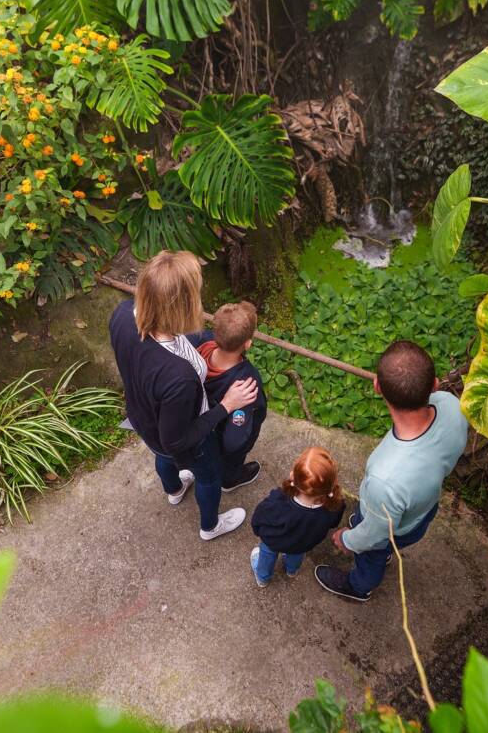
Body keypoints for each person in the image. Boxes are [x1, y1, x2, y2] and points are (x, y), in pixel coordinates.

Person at [109, 250, 258, 541]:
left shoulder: (123, 314)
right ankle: (211, 525)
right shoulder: (179, 378)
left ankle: (174, 490)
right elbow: (175, 440)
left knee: (161, 454)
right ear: (184, 305)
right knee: (209, 475)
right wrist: (226, 406)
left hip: (142, 418)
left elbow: (147, 352)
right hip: (182, 436)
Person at [314, 341, 468, 601]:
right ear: (435, 384)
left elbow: (375, 534)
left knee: (371, 554)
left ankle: (359, 587)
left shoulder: (384, 479)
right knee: (380, 535)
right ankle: (384, 552)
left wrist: (348, 540)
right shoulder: (451, 405)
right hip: (424, 509)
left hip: (394, 528)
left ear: (377, 387)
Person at [188, 301, 267, 492]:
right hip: (221, 433)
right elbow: (234, 440)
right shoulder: (245, 385)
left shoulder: (200, 341)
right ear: (247, 343)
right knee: (231, 459)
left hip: (201, 421)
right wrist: (236, 449)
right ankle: (230, 479)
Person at [249, 447, 345, 587]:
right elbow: (334, 523)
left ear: (293, 477)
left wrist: (258, 530)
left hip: (274, 540)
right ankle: (291, 570)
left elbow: (260, 516)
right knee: (297, 554)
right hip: (304, 543)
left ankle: (263, 578)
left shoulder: (279, 501)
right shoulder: (335, 505)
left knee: (267, 554)